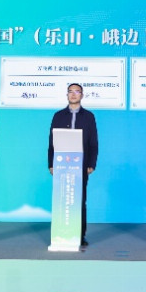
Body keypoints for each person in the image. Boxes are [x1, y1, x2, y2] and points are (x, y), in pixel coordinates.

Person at [47, 83, 98, 246]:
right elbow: (52, 141)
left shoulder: (89, 116)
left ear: (82, 95)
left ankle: (79, 235)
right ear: (67, 94)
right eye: (71, 91)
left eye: (77, 92)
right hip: (61, 164)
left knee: (79, 199)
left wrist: (91, 163)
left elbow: (93, 142)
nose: (74, 94)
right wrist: (51, 163)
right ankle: (61, 232)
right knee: (62, 197)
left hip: (81, 164)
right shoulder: (58, 116)